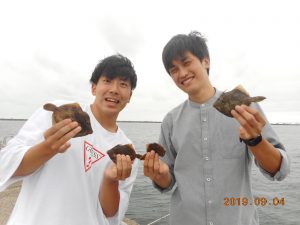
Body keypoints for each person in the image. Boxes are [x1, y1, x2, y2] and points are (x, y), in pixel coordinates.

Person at [143, 31, 290, 225]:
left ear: (206, 61)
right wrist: (159, 175)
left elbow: (279, 169)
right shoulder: (170, 120)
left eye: (186, 63)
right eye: (174, 69)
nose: (182, 73)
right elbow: (167, 182)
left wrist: (255, 141)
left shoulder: (246, 107)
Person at [0, 54, 138, 225]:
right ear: (94, 88)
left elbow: (110, 215)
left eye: (123, 84)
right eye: (107, 81)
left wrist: (110, 180)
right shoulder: (58, 113)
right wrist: (47, 148)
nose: (114, 89)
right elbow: (5, 164)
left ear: (130, 95)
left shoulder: (127, 150)